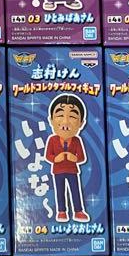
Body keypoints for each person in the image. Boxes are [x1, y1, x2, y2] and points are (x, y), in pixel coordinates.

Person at [44, 94, 89, 223]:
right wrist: (55, 158)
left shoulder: (77, 140)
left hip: (72, 171)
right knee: (60, 191)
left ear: (81, 123)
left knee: (75, 190)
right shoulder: (52, 139)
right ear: (51, 120)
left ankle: (78, 211)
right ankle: (61, 211)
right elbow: (48, 155)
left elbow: (81, 157)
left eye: (72, 117)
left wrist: (74, 158)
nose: (65, 122)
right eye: (60, 115)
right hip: (58, 171)